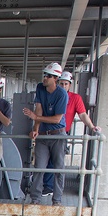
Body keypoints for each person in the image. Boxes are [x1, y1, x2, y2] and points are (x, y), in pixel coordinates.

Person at [23, 62, 69, 206]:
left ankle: (57, 200)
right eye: (45, 75)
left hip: (57, 135)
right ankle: (35, 199)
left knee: (58, 168)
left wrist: (36, 119)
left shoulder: (62, 94)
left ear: (56, 79)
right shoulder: (40, 88)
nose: (45, 78)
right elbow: (39, 109)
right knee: (39, 167)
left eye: (48, 76)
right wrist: (36, 129)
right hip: (43, 134)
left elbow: (57, 118)